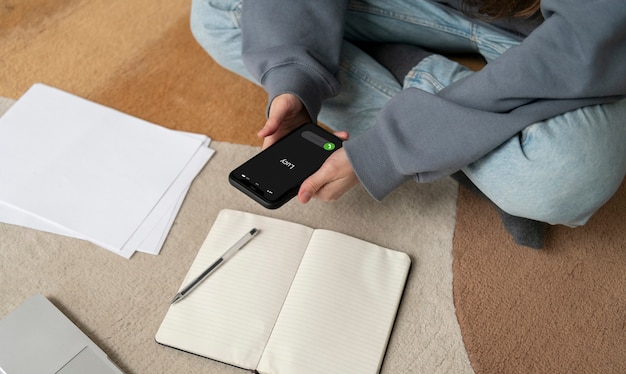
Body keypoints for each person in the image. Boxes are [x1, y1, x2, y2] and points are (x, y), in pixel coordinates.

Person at [190, 0, 626, 248]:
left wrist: (391, 147)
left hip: (558, 33)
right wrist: (292, 69)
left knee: (565, 177)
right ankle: (458, 137)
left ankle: (412, 79)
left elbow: (585, 46)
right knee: (215, 11)